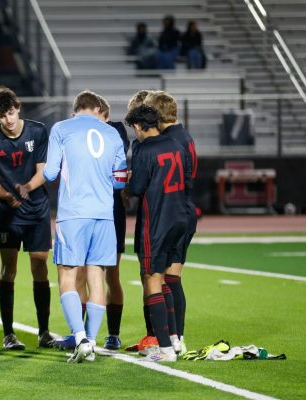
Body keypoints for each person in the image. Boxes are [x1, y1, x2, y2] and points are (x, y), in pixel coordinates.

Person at [43, 90, 127, 363]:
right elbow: (120, 180)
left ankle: (79, 337)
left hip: (73, 214)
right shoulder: (112, 134)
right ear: (97, 109)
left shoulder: (62, 128)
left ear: (75, 109)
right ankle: (91, 342)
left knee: (67, 276)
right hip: (104, 215)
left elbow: (50, 172)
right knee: (97, 278)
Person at [0, 87, 55, 350]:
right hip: (9, 214)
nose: (8, 120)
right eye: (2, 116)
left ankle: (44, 331)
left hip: (37, 211)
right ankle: (9, 334)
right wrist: (8, 196)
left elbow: (42, 172)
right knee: (8, 270)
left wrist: (26, 188)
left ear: (18, 108)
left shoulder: (37, 131)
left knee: (40, 268)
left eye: (11, 113)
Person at [125, 104, 191, 362]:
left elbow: (138, 186)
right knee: (165, 279)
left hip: (158, 221)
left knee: (152, 279)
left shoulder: (143, 149)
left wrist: (126, 188)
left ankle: (164, 348)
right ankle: (174, 340)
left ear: (140, 126)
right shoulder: (176, 144)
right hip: (181, 218)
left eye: (135, 128)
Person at [144, 91, 198, 355]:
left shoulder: (168, 140)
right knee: (172, 277)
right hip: (185, 209)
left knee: (166, 278)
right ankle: (177, 337)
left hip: (173, 210)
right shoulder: (184, 136)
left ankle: (173, 337)